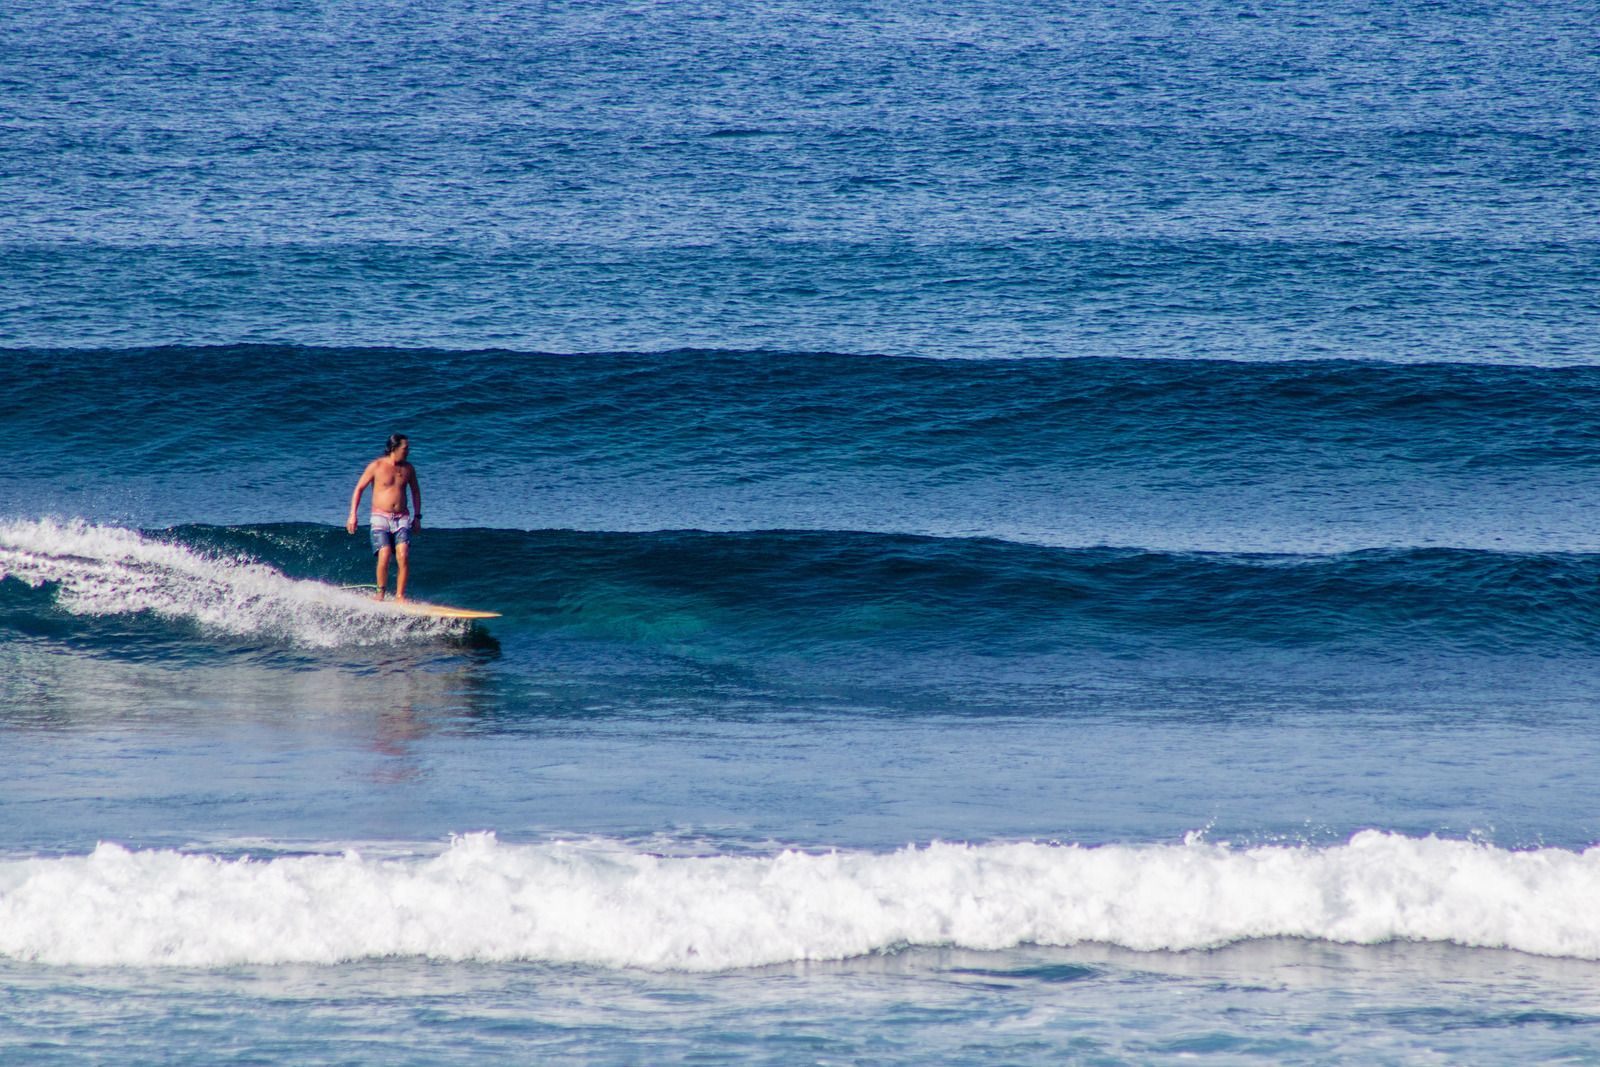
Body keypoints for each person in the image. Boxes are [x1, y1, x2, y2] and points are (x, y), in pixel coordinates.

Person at [347, 433, 422, 601]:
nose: (408, 451)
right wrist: (353, 515)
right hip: (380, 517)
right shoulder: (376, 466)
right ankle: (380, 594)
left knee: (403, 555)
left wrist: (417, 517)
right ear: (394, 449)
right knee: (385, 554)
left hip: (402, 517)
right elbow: (359, 489)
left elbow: (415, 491)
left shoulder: (408, 468)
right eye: (405, 448)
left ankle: (400, 596)